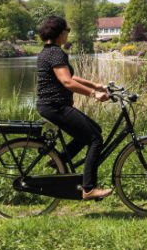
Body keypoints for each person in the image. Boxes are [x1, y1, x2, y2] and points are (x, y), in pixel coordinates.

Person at [36, 15, 113, 201]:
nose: (68, 34)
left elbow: (70, 76)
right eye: (67, 31)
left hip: (51, 106)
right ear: (60, 33)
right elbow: (67, 82)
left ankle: (59, 160)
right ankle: (88, 188)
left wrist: (95, 85)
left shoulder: (47, 52)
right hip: (56, 107)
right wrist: (94, 95)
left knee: (93, 131)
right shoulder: (56, 53)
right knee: (95, 138)